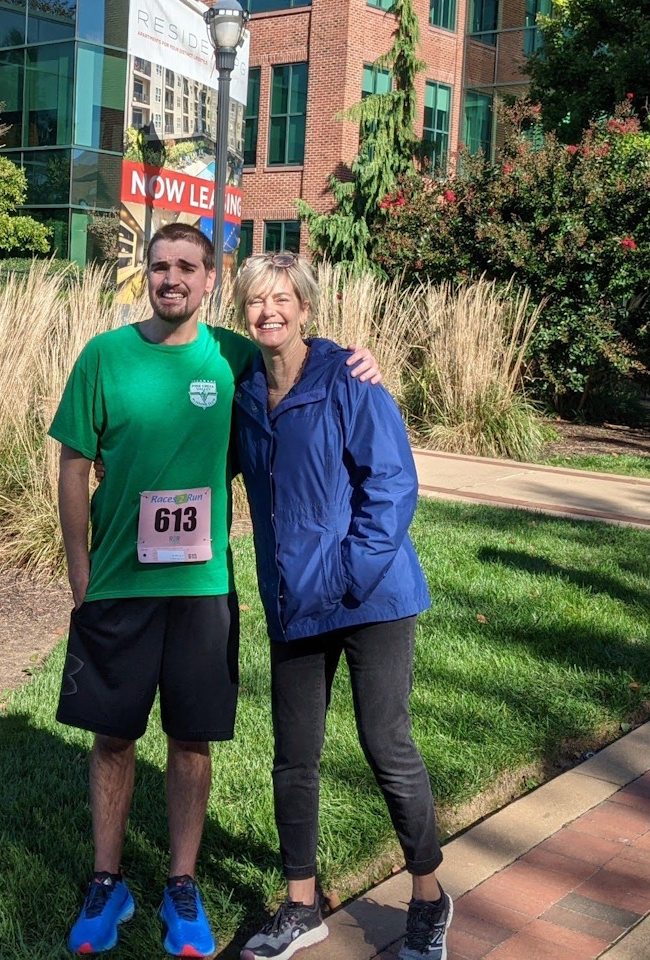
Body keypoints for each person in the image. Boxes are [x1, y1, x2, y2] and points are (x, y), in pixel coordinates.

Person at [47, 224, 381, 957]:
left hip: (202, 586)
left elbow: (297, 353)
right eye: (159, 266)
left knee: (190, 737)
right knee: (114, 736)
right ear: (146, 274)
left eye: (187, 267)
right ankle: (107, 881)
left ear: (209, 279)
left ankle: (182, 883)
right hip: (118, 582)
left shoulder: (233, 355)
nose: (171, 278)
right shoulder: (104, 356)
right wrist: (79, 569)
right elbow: (73, 464)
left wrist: (355, 358)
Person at [231, 253, 451, 960]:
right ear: (243, 310)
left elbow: (392, 484)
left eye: (282, 299)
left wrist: (349, 573)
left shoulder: (349, 378)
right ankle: (303, 906)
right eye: (256, 300)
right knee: (293, 756)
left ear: (305, 307)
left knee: (386, 743)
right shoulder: (243, 393)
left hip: (370, 596)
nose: (269, 311)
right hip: (296, 601)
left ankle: (428, 897)